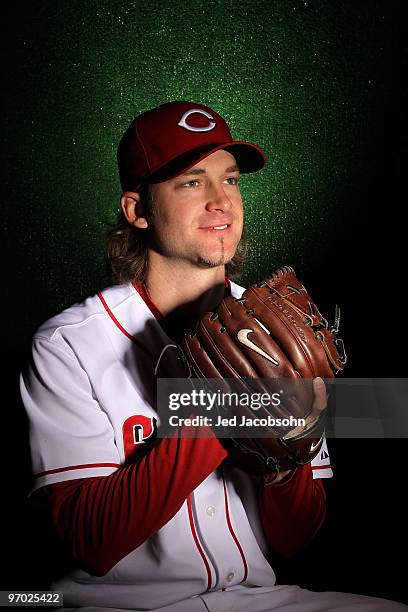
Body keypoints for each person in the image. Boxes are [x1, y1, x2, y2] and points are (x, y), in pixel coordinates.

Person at [20, 101, 407, 611]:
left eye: (230, 180)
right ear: (137, 210)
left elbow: (296, 539)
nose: (220, 200)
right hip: (116, 604)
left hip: (258, 598)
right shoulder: (68, 344)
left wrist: (287, 459)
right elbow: (91, 542)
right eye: (190, 182)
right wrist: (222, 406)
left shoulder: (279, 329)